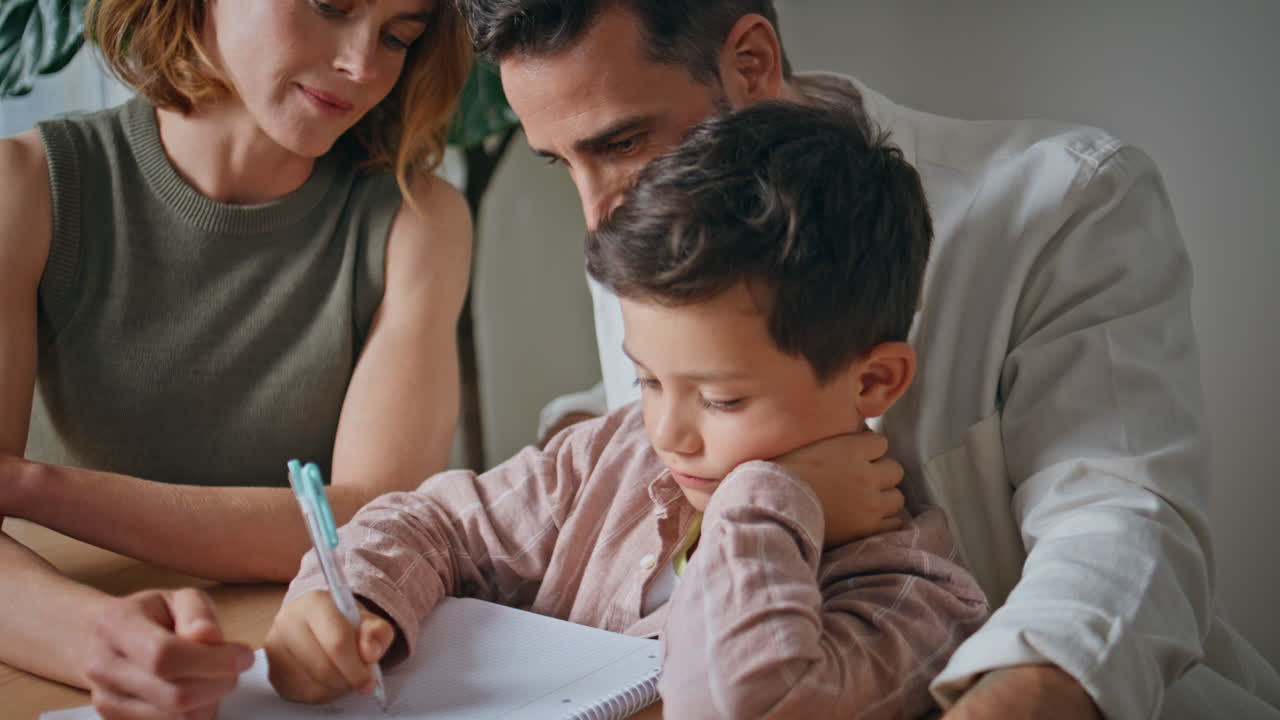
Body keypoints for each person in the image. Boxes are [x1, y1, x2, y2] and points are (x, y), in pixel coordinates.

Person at [455, 1, 1280, 718]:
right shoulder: (637, 220)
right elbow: (652, 419)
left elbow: (1121, 518)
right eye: (560, 162)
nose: (595, 216)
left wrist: (1022, 698)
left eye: (623, 140)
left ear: (750, 63)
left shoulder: (1066, 204)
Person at [263, 100, 989, 718]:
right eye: (646, 379)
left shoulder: (912, 599)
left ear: (874, 383)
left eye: (720, 398)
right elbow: (436, 524)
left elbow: (742, 700)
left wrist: (770, 496)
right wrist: (350, 601)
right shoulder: (611, 457)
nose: (668, 432)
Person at [0, 0, 472, 716]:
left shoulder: (417, 219)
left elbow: (366, 516)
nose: (362, 64)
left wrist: (31, 487)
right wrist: (95, 639)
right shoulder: (25, 188)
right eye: (330, 6)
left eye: (398, 37)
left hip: (298, 665)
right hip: (54, 651)